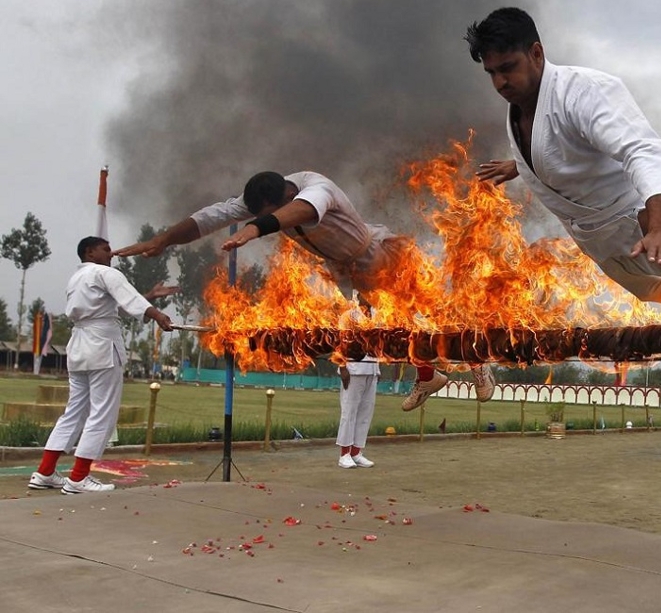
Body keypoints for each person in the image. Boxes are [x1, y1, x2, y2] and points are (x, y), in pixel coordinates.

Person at [467, 7, 661, 316]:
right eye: (492, 73)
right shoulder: (520, 108)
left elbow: (640, 149)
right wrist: (520, 164)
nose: (500, 82)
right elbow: (552, 145)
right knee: (646, 288)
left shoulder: (584, 91)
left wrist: (660, 225)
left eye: (508, 67)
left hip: (637, 220)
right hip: (592, 236)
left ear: (536, 53)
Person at [113, 170, 495, 411]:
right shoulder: (266, 201)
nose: (259, 218)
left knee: (424, 311)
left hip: (379, 254)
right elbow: (212, 216)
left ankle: (479, 362)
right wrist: (164, 239)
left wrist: (255, 229)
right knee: (397, 329)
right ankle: (427, 375)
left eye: (265, 214)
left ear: (281, 196)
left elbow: (297, 212)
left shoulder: (317, 188)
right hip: (349, 272)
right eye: (256, 215)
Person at [28, 237, 175, 494]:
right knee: (102, 413)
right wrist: (158, 314)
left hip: (79, 347)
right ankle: (78, 478)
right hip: (102, 346)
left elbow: (114, 306)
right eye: (105, 249)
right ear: (90, 251)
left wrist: (149, 296)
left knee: (74, 411)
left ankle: (45, 472)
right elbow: (129, 301)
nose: (111, 253)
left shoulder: (77, 278)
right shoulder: (105, 272)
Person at [336, 359, 379, 468]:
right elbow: (340, 344)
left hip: (372, 369)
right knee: (349, 412)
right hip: (353, 370)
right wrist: (342, 367)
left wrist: (377, 370)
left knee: (365, 414)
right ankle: (344, 454)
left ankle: (355, 453)